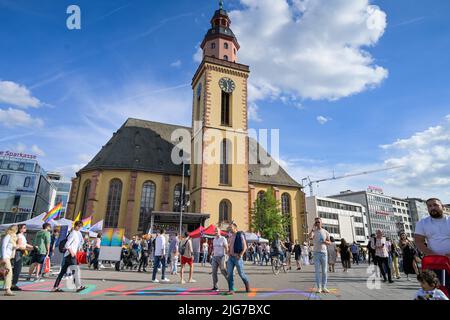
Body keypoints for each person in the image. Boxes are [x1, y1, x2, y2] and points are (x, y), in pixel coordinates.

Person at [414, 198, 450, 291]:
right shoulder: (422, 223)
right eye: (429, 206)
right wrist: (431, 254)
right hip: (435, 262)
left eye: (435, 205)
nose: (432, 208)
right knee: (438, 289)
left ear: (442, 207)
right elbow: (418, 241)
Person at [52, 221, 85, 292]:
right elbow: (67, 245)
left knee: (63, 272)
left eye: (80, 226)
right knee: (75, 270)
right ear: (75, 226)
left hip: (68, 255)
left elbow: (80, 242)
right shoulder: (73, 233)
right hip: (70, 255)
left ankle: (55, 287)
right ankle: (78, 287)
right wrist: (72, 252)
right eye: (78, 226)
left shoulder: (77, 233)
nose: (79, 228)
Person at [226, 222, 251, 295]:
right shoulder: (230, 236)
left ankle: (247, 284)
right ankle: (231, 289)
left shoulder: (240, 235)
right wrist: (228, 250)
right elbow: (229, 245)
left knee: (241, 274)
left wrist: (240, 255)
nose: (230, 229)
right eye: (229, 228)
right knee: (229, 274)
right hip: (230, 257)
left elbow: (245, 247)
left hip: (238, 257)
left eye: (231, 227)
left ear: (235, 228)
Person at [309, 217, 331, 293]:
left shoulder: (326, 232)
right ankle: (319, 287)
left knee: (324, 271)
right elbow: (310, 237)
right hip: (316, 253)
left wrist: (325, 242)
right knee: (317, 271)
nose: (317, 223)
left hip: (324, 253)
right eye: (316, 222)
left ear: (321, 223)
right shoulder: (314, 231)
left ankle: (324, 287)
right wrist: (312, 228)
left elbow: (329, 242)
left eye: (318, 222)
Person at [12, 224, 34, 291]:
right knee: (17, 269)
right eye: (24, 227)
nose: (25, 228)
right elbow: (19, 246)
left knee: (17, 269)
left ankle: (13, 284)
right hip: (18, 252)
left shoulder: (22, 236)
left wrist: (33, 247)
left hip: (20, 253)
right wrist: (29, 249)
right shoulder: (19, 236)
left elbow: (25, 244)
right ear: (20, 229)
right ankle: (13, 285)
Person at [1, 225, 18, 296]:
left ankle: (7, 289)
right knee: (9, 273)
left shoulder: (13, 237)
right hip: (5, 257)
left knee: (5, 273)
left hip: (8, 257)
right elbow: (3, 246)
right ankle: (8, 290)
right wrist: (4, 257)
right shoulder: (8, 236)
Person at [211, 226, 228, 291]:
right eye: (215, 231)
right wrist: (212, 253)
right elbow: (214, 248)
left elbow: (226, 247)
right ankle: (215, 286)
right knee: (214, 272)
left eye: (217, 231)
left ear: (219, 232)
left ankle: (230, 283)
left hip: (222, 256)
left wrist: (226, 256)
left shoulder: (223, 238)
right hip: (215, 257)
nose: (216, 232)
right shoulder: (214, 239)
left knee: (223, 271)